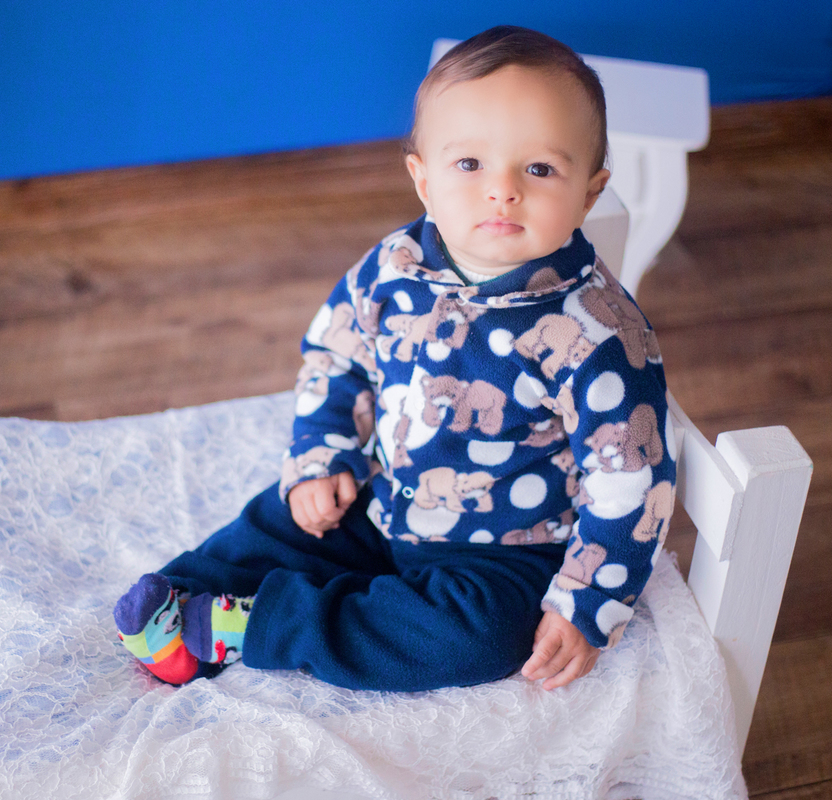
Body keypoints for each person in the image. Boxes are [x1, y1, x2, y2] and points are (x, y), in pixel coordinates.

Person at [113, 25, 676, 693]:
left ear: (589, 191)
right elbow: (336, 356)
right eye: (470, 165)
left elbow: (631, 486)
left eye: (540, 169)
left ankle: (259, 625)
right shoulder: (393, 268)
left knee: (483, 639)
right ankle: (183, 605)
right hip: (384, 498)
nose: (503, 191)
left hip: (506, 552)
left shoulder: (598, 333)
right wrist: (321, 459)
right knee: (283, 517)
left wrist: (585, 606)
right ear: (423, 178)